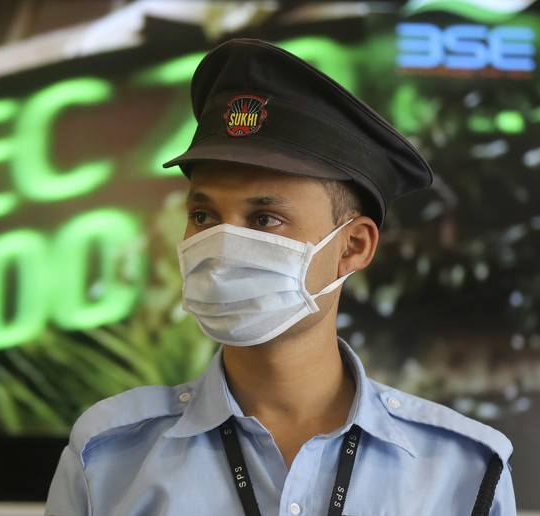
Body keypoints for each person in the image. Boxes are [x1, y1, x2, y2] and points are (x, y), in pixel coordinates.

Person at [45, 39, 516, 515]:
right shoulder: (106, 455)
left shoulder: (463, 471)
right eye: (204, 215)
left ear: (353, 246)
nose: (221, 245)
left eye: (264, 218)